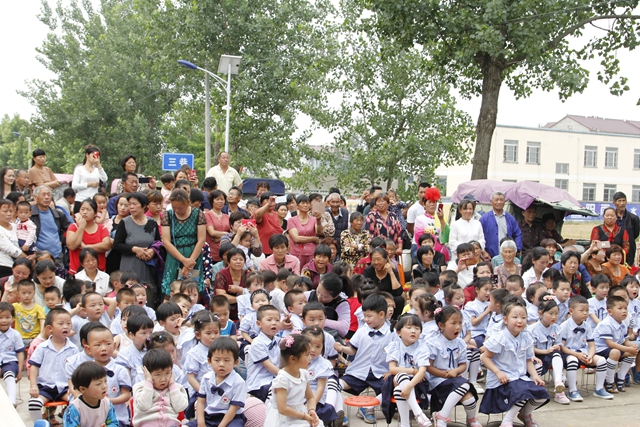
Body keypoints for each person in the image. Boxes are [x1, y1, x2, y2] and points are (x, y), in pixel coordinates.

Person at [479, 299, 549, 426]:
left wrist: (535, 376)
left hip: (519, 379)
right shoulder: (500, 337)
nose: (519, 320)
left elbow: (528, 360)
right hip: (501, 381)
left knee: (542, 394)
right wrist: (498, 372)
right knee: (522, 393)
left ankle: (525, 413)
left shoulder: (526, 337)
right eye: (515, 317)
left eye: (523, 317)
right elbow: (484, 358)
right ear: (505, 320)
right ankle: (507, 421)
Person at [334, 294, 392, 423]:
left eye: (369, 316)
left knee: (392, 387)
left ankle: (368, 408)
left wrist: (391, 371)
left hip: (380, 373)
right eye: (364, 315)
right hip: (359, 371)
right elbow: (352, 350)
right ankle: (338, 412)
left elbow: (396, 356)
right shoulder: (362, 331)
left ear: (381, 314)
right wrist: (342, 348)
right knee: (334, 385)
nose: (365, 319)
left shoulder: (392, 333)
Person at [427, 307, 481, 427]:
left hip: (454, 379)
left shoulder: (460, 343)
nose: (458, 327)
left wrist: (456, 371)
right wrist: (444, 374)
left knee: (469, 399)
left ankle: (472, 419)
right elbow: (428, 367)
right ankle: (442, 416)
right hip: (438, 381)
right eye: (453, 323)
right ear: (441, 325)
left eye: (460, 323)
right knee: (466, 385)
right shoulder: (433, 342)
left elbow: (463, 364)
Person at [28, 308, 78, 423]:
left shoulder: (74, 349)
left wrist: (74, 387)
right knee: (33, 404)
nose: (66, 326)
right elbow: (34, 366)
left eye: (68, 323)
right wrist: (33, 386)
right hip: (45, 387)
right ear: (50, 328)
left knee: (78, 401)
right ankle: (39, 424)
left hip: (66, 388)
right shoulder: (42, 347)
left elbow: (76, 371)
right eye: (61, 324)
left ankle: (71, 424)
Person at [559, 295, 611, 401]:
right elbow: (562, 347)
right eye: (581, 310)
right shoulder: (564, 326)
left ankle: (599, 388)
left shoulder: (587, 326)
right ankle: (573, 390)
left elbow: (592, 345)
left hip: (584, 352)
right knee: (572, 360)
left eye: (587, 310)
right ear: (571, 311)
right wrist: (577, 355)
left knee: (601, 360)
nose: (585, 313)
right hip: (569, 353)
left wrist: (591, 356)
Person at [383, 314, 431, 427]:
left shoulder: (422, 347)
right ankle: (418, 413)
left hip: (418, 384)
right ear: (398, 332)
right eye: (409, 328)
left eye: (417, 328)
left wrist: (409, 386)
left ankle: (405, 424)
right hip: (396, 380)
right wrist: (413, 371)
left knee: (399, 390)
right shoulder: (394, 346)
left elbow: (422, 372)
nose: (413, 331)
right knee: (401, 375)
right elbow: (393, 369)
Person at [263, 334, 320, 427]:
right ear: (293, 359)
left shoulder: (304, 374)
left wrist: (311, 410)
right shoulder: (282, 379)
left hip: (300, 413)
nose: (310, 357)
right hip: (283, 418)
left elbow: (310, 398)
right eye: (307, 354)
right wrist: (304, 416)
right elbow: (282, 409)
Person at [161, 189, 206, 297]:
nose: (176, 210)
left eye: (180, 207)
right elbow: (166, 241)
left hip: (193, 254)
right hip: (175, 255)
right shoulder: (168, 215)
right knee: (173, 288)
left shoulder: (197, 214)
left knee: (192, 289)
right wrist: (183, 260)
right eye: (174, 207)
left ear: (188, 202)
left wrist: (190, 261)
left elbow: (201, 239)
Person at [113, 193, 161, 288]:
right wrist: (134, 249)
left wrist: (153, 251)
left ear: (144, 206)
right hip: (129, 268)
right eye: (129, 204)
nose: (131, 207)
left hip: (147, 269)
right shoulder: (125, 222)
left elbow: (158, 243)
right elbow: (117, 245)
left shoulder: (152, 222)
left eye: (134, 204)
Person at [593, 295, 639, 393]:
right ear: (610, 311)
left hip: (613, 349)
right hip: (599, 350)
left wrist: (632, 347)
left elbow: (624, 341)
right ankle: (609, 380)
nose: (624, 311)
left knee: (633, 351)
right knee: (615, 352)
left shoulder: (622, 324)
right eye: (620, 308)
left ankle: (620, 377)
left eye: (625, 308)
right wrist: (627, 349)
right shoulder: (606, 324)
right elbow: (610, 344)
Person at [133, 348, 189, 427]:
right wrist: (148, 382)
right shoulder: (140, 388)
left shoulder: (176, 388)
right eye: (158, 374)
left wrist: (172, 384)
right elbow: (144, 405)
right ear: (147, 372)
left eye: (167, 373)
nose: (163, 379)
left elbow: (180, 407)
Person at [529, 297, 569, 405]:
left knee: (557, 354)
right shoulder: (531, 329)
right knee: (538, 364)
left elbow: (559, 345)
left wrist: (555, 348)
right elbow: (531, 349)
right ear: (540, 313)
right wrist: (546, 351)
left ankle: (558, 387)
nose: (554, 317)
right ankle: (533, 391)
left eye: (556, 313)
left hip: (552, 355)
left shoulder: (557, 328)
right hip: (537, 356)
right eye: (550, 313)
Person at [64, 361, 119, 427]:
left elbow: (114, 423)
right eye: (98, 384)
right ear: (83, 389)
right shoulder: (74, 409)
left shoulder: (107, 404)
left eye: (105, 381)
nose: (104, 386)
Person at [67, 199, 112, 275]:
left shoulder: (102, 228)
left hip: (99, 272)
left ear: (95, 213)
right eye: (82, 209)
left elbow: (107, 245)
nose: (84, 212)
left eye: (88, 210)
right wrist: (81, 227)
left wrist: (86, 247)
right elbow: (71, 246)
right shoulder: (73, 227)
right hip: (77, 272)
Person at [305, 273, 352, 339]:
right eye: (318, 291)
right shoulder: (307, 296)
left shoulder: (341, 304)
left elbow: (344, 329)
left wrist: (320, 321)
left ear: (335, 296)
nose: (319, 297)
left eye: (324, 296)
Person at [478, 191, 522, 258]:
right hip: (489, 255)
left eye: (501, 200)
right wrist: (483, 251)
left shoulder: (510, 218)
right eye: (496, 200)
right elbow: (479, 237)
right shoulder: (484, 219)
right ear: (491, 202)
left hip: (507, 255)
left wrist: (517, 249)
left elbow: (518, 234)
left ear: (504, 202)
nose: (499, 202)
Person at [363, 248, 404, 318]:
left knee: (399, 299)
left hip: (391, 299)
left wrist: (391, 273)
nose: (376, 262)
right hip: (374, 298)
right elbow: (367, 290)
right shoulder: (368, 271)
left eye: (379, 259)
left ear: (386, 260)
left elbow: (398, 292)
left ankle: (394, 321)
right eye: (373, 260)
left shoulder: (392, 271)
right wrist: (385, 299)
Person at [413, 187, 448, 262]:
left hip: (440, 253)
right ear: (424, 205)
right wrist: (437, 234)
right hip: (425, 254)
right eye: (429, 202)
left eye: (434, 202)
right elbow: (419, 237)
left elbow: (446, 236)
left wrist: (441, 219)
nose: (432, 204)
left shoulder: (441, 217)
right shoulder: (420, 219)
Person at [0, 302, 25, 406]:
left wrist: (19, 370)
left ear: (13, 318)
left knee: (10, 376)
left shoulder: (15, 334)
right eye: (0, 317)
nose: (4, 320)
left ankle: (12, 402)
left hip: (9, 361)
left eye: (7, 317)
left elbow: (20, 353)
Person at [71, 145, 108, 213]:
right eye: (93, 155)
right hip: (81, 199)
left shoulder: (97, 170)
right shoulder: (79, 169)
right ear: (87, 155)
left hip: (93, 200)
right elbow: (74, 186)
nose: (94, 157)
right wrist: (89, 184)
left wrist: (99, 165)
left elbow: (104, 179)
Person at [288, 195, 322, 267]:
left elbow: (319, 232)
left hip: (311, 253)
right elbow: (296, 239)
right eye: (303, 203)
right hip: (296, 254)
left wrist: (318, 221)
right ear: (297, 205)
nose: (305, 205)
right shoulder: (292, 220)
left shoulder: (314, 219)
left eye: (307, 203)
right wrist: (313, 238)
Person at [214, 248, 248, 321]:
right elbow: (221, 297)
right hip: (222, 312)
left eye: (241, 259)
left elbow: (253, 294)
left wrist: (240, 290)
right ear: (228, 261)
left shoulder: (248, 274)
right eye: (235, 259)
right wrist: (241, 299)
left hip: (244, 312)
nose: (238, 262)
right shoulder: (221, 274)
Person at [612, 191, 640, 266]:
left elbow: (635, 234)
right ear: (614, 202)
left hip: (629, 250)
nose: (622, 203)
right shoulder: (611, 217)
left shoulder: (634, 218)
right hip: (614, 248)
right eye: (619, 201)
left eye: (624, 201)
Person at [0, 200, 26, 278]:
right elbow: (9, 248)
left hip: (18, 267)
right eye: (5, 211)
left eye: (11, 211)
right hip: (3, 266)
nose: (8, 214)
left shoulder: (16, 226)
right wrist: (27, 259)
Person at [254, 192, 284, 256]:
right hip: (263, 252)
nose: (271, 202)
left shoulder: (275, 214)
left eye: (273, 200)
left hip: (276, 250)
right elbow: (258, 216)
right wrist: (268, 204)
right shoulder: (259, 212)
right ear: (261, 203)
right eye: (267, 200)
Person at [205, 190, 231, 263]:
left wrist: (219, 237)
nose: (220, 201)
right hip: (211, 252)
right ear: (212, 201)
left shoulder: (227, 217)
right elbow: (212, 233)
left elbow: (233, 234)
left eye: (222, 199)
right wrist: (226, 234)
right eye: (217, 199)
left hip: (225, 253)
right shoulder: (207, 215)